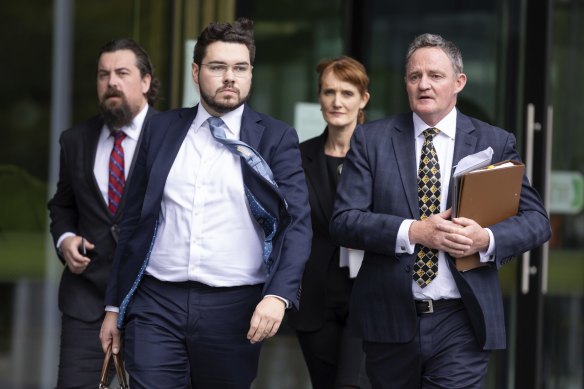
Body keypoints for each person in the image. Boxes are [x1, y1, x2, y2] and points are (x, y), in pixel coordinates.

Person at [99, 18, 312, 388]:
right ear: (196, 73)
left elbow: (297, 223)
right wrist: (115, 306)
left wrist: (278, 294)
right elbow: (132, 220)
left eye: (240, 68)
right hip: (156, 302)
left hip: (234, 308)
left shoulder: (275, 138)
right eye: (218, 67)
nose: (230, 77)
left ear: (250, 74)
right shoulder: (160, 129)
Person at [329, 33, 551, 389]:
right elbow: (343, 221)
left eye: (435, 75)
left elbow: (536, 222)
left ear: (459, 82)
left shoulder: (494, 142)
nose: (424, 84)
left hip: (462, 319)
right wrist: (414, 232)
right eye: (415, 76)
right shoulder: (371, 140)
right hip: (389, 318)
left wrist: (485, 239)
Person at [48, 38, 159, 388]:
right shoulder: (75, 140)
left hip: (152, 303)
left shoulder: (173, 136)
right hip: (86, 302)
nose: (111, 81)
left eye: (122, 73)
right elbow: (63, 204)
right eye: (103, 74)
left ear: (145, 82)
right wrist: (65, 240)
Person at [287, 56, 371, 389]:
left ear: (363, 99)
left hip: (368, 294)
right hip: (316, 299)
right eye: (329, 92)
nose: (337, 102)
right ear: (319, 97)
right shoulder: (297, 156)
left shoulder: (381, 155)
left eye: (347, 93)